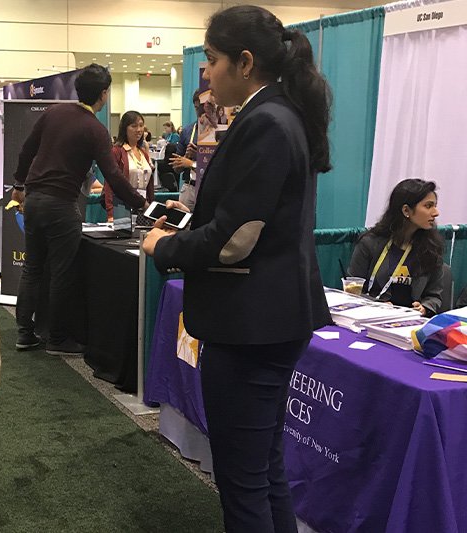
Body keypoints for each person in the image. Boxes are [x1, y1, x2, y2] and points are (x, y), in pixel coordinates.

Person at [143, 6, 332, 532]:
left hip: (252, 325)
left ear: (244, 62)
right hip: (263, 320)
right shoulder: (275, 115)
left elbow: (234, 240)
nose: (205, 74)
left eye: (212, 59)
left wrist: (165, 247)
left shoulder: (267, 121)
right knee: (262, 469)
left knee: (244, 480)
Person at [11, 63, 147, 356]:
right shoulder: (95, 129)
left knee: (33, 268)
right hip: (62, 205)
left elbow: (26, 150)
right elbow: (113, 176)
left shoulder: (53, 113)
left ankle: (24, 332)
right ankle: (57, 339)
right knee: (62, 272)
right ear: (104, 94)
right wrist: (141, 203)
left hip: (34, 200)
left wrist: (19, 184)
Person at [349, 178, 443, 316]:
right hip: (369, 317)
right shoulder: (369, 243)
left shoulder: (432, 248)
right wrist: (375, 305)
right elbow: (352, 291)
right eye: (428, 206)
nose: (436, 213)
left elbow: (434, 296)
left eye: (435, 206)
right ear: (406, 210)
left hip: (408, 323)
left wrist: (424, 307)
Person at [104, 110, 154, 220]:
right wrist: (110, 213)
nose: (139, 130)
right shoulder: (117, 152)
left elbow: (150, 186)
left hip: (143, 208)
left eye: (141, 126)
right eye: (134, 126)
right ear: (125, 129)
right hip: (123, 208)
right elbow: (109, 184)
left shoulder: (143, 153)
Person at [170, 88, 204, 211]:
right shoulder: (187, 131)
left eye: (202, 107)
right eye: (196, 108)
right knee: (183, 225)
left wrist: (194, 161)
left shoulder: (219, 132)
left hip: (207, 187)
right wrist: (186, 157)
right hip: (189, 187)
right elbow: (177, 168)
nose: (199, 111)